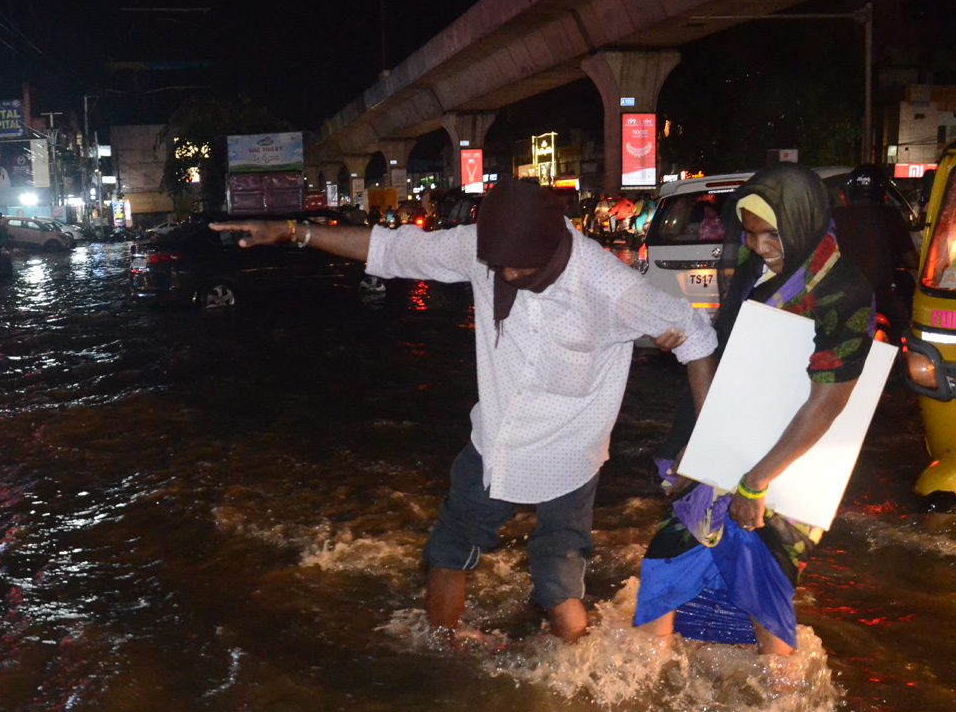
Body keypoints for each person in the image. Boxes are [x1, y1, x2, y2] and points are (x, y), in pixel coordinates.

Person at [213, 178, 717, 644]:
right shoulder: (482, 249)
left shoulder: (608, 284)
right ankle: (442, 653)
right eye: (499, 267)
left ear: (554, 251)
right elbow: (390, 249)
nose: (509, 276)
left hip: (569, 451)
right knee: (449, 548)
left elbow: (696, 336)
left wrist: (705, 447)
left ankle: (578, 696)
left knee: (558, 581)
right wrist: (292, 231)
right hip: (495, 439)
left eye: (521, 268)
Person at [633, 164, 876, 655]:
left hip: (784, 471)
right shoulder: (754, 274)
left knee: (761, 584)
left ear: (804, 221)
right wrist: (698, 445)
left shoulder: (841, 293)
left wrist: (755, 481)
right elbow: (733, 365)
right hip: (729, 455)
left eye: (773, 234)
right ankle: (642, 699)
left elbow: (828, 403)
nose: (761, 246)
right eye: (751, 232)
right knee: (664, 567)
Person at [830, 163, 919, 335]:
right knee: (905, 329)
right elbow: (912, 260)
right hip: (881, 300)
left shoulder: (836, 216)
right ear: (882, 192)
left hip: (842, 301)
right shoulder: (891, 216)